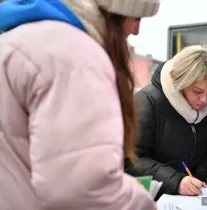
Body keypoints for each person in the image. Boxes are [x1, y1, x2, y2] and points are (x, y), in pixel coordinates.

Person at [0, 0, 160, 209]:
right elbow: (83, 187)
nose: (136, 31)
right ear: (114, 12)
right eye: (136, 18)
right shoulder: (76, 56)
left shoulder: (17, 38)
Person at [125, 45, 207, 199]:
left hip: (189, 199)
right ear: (181, 83)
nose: (205, 100)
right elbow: (132, 159)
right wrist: (176, 182)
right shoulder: (146, 102)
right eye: (197, 91)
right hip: (149, 198)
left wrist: (197, 179)